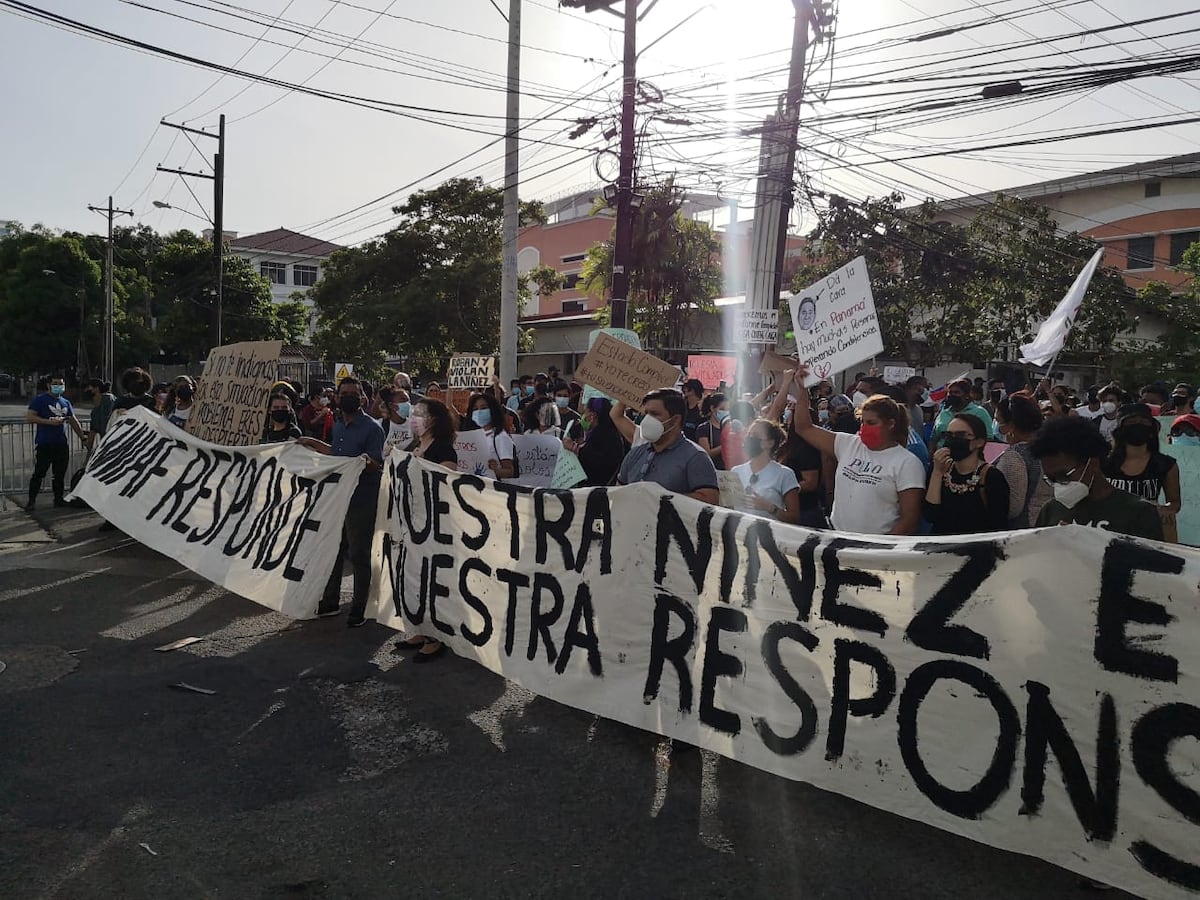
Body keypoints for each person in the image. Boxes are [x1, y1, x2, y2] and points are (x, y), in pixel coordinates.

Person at [789, 372, 925, 535]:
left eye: (871, 423)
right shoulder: (848, 444)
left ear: (890, 424)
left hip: (874, 546)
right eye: (862, 422)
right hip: (837, 538)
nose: (864, 428)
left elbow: (909, 521)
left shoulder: (907, 463)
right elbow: (804, 428)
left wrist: (876, 547)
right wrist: (802, 389)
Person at [298, 377, 385, 628]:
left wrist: (362, 461)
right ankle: (330, 600)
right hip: (338, 497)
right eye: (344, 393)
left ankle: (360, 606)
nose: (349, 397)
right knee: (333, 548)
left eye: (354, 393)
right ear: (336, 397)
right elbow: (336, 454)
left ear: (362, 398)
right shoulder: (338, 426)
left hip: (361, 498)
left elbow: (376, 464)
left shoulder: (372, 429)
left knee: (358, 553)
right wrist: (312, 443)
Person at [1030, 416, 1163, 541]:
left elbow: (1150, 558)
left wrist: (1089, 544)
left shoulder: (1139, 512)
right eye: (1051, 480)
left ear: (1092, 464)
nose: (1058, 485)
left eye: (1063, 476)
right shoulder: (1051, 510)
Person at [398, 397, 459, 662]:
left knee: (433, 579)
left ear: (433, 419)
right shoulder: (415, 445)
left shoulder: (443, 449)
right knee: (415, 577)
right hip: (415, 521)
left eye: (420, 414)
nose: (414, 418)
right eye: (414, 413)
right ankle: (420, 630)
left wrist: (416, 464)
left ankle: (436, 637)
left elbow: (445, 482)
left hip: (435, 523)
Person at [617, 388, 719, 504]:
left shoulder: (695, 457)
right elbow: (618, 492)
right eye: (646, 413)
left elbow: (710, 500)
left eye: (655, 414)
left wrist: (661, 500)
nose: (647, 420)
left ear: (675, 420)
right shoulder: (635, 453)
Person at [1103, 403, 1181, 541]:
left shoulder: (1165, 464)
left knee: (1168, 520)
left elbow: (1174, 502)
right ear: (1121, 429)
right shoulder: (1104, 463)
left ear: (1152, 430)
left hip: (1147, 525)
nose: (1138, 425)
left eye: (1144, 422)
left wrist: (1165, 509)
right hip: (1110, 525)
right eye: (1132, 422)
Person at [924, 413, 1010, 534]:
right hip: (941, 542)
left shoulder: (992, 477)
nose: (953, 440)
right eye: (948, 435)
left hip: (976, 544)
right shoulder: (939, 468)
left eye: (960, 435)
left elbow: (999, 525)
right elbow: (930, 514)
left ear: (979, 442)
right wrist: (937, 473)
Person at [24, 375, 86, 510]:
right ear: (48, 385)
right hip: (45, 443)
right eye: (55, 383)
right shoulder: (40, 400)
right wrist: (48, 422)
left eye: (61, 384)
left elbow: (73, 421)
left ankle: (58, 499)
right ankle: (31, 501)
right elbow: (30, 417)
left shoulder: (65, 402)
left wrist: (82, 437)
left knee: (59, 474)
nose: (59, 386)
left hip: (61, 444)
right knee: (39, 473)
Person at [994, 393, 1052, 529]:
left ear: (1011, 425)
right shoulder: (1050, 447)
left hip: (1023, 528)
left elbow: (1012, 508)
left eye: (998, 421)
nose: (997, 427)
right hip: (1049, 524)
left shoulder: (1014, 456)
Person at [732, 419, 801, 525]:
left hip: (771, 533)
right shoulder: (735, 471)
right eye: (749, 434)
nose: (750, 438)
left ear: (770, 443)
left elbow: (794, 518)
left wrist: (769, 507)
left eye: (755, 435)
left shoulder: (785, 474)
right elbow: (728, 508)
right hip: (740, 532)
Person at [564, 397, 626, 487]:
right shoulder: (606, 433)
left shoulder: (604, 436)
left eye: (585, 412)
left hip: (596, 487)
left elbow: (597, 460)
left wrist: (574, 448)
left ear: (592, 416)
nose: (583, 416)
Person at [930, 379, 994, 447]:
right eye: (950, 392)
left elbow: (989, 438)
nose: (952, 395)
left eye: (956, 392)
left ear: (966, 395)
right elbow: (934, 438)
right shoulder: (943, 413)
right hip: (943, 451)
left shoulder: (980, 412)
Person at [468, 390, 516, 480]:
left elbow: (509, 471)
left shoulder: (500, 437)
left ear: (493, 410)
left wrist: (495, 470)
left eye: (484, 408)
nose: (479, 412)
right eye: (475, 409)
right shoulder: (473, 436)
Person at [695, 392, 730, 471]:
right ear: (712, 408)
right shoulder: (704, 428)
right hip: (712, 470)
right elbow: (706, 453)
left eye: (728, 409)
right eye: (722, 409)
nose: (726, 412)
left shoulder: (730, 427)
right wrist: (725, 445)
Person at [82, 378, 116, 452]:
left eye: (89, 387)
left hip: (111, 441)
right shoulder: (95, 411)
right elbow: (94, 428)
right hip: (105, 444)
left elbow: (108, 421)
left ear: (96, 388)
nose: (86, 390)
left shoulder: (108, 400)